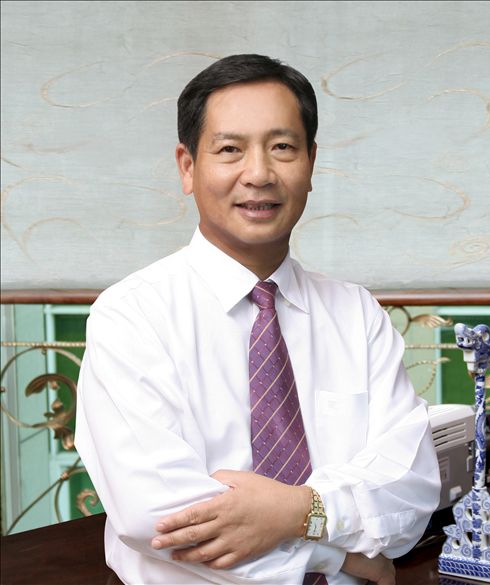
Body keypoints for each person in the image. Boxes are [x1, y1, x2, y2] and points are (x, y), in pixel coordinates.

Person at [75, 54, 441, 585]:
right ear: (187, 166)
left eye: (283, 147)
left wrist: (294, 512)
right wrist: (337, 555)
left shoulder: (355, 312)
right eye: (230, 149)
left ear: (311, 163)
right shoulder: (131, 316)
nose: (259, 174)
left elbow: (409, 488)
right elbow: (158, 517)